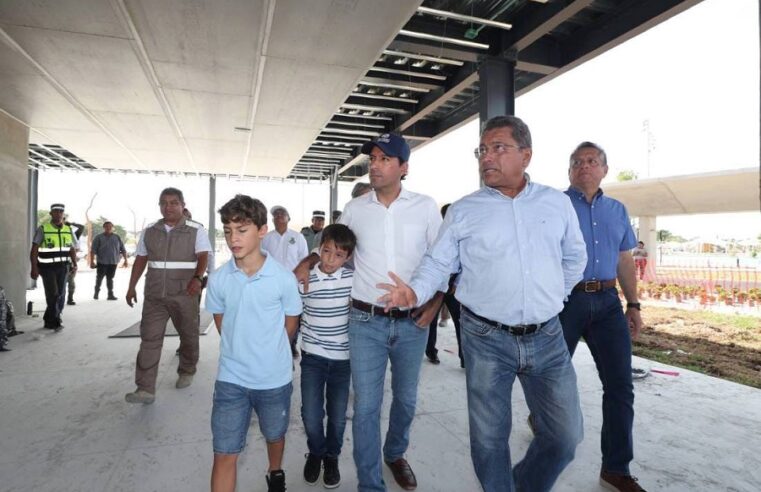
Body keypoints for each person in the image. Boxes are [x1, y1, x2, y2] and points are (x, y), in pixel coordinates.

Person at [377, 116, 587, 492]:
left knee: (564, 436)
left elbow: (574, 259)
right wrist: (416, 291)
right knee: (490, 441)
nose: (487, 157)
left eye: (498, 148)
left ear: (526, 155)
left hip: (547, 338)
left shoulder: (555, 204)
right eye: (482, 150)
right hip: (486, 337)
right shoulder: (464, 210)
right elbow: (439, 263)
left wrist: (552, 297)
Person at [295, 133, 444, 492]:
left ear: (403, 167)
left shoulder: (425, 207)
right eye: (372, 158)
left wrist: (435, 304)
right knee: (365, 408)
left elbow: (443, 260)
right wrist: (308, 260)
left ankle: (394, 453)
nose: (374, 165)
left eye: (384, 159)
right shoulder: (356, 208)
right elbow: (335, 243)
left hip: (412, 322)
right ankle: (369, 484)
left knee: (406, 401)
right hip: (364, 321)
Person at [561, 142, 645, 492]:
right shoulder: (556, 205)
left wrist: (634, 304)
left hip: (609, 302)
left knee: (620, 387)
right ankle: (544, 419)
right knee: (551, 380)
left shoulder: (617, 209)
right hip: (567, 302)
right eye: (577, 162)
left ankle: (615, 467)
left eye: (592, 161)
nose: (584, 166)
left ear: (604, 169)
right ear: (569, 171)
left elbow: (624, 258)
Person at [206, 194, 302, 492]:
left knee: (274, 434)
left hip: (273, 378)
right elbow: (222, 321)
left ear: (262, 231)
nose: (233, 238)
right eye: (228, 231)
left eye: (242, 230)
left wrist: (267, 350)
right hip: (231, 379)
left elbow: (290, 324)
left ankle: (275, 471)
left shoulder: (283, 279)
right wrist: (241, 348)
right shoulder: (219, 279)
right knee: (224, 452)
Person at [123, 187, 211, 404]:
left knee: (188, 334)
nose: (168, 207)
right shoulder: (150, 230)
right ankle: (145, 389)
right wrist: (131, 286)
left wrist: (198, 278)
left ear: (182, 205)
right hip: (155, 295)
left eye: (173, 203)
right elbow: (141, 259)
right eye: (164, 203)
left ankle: (187, 369)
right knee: (149, 339)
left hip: (184, 293)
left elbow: (203, 256)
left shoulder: (195, 230)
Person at [299, 224, 356, 489]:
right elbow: (292, 312)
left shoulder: (352, 281)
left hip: (343, 360)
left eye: (339, 255)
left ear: (348, 258)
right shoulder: (305, 280)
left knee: (336, 414)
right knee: (311, 414)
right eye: (327, 252)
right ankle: (316, 451)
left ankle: (331, 456)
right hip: (312, 357)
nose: (331, 259)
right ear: (318, 249)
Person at [263, 205, 308, 357]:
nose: (279, 216)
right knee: (273, 315)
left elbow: (304, 259)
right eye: (276, 214)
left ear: (289, 218)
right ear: (272, 219)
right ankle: (274, 345)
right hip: (271, 284)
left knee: (293, 315)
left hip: (293, 284)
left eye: (283, 213)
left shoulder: (298, 237)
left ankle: (291, 344)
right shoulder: (266, 238)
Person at [424, 204, 463, 367]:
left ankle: (465, 357)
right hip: (435, 287)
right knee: (430, 320)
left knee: (460, 322)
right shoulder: (436, 233)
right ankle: (431, 352)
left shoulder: (462, 233)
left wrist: (457, 281)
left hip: (453, 287)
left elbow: (465, 261)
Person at [30, 203, 78, 331]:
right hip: (47, 268)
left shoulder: (68, 230)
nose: (58, 214)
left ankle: (48, 319)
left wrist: (75, 263)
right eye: (55, 211)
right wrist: (34, 267)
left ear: (63, 214)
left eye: (61, 212)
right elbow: (34, 249)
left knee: (61, 294)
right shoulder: (43, 229)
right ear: (51, 214)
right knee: (53, 294)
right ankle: (56, 320)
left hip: (63, 267)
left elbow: (71, 248)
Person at [90, 221, 129, 300]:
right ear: (104, 227)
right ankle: (96, 293)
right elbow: (93, 250)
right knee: (99, 278)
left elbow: (123, 249)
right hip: (102, 262)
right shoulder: (98, 237)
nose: (108, 228)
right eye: (106, 226)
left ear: (112, 227)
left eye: (110, 226)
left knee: (110, 279)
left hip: (113, 262)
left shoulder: (117, 237)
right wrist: (92, 261)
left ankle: (110, 295)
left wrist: (126, 260)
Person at [64, 219, 84, 306]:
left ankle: (70, 298)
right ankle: (60, 298)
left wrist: (71, 223)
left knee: (71, 281)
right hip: (59, 262)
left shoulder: (73, 235)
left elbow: (81, 227)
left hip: (71, 261)